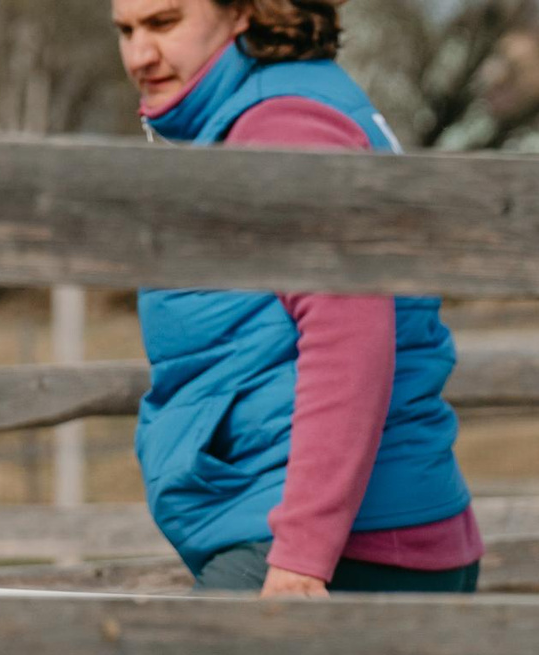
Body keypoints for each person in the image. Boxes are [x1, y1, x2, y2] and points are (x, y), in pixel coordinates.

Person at [117, 0, 482, 597]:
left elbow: (350, 335)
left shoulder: (282, 124)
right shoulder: (274, 109)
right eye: (126, 30)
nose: (139, 54)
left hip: (334, 550)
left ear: (241, 12)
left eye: (164, 23)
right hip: (345, 536)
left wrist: (303, 556)